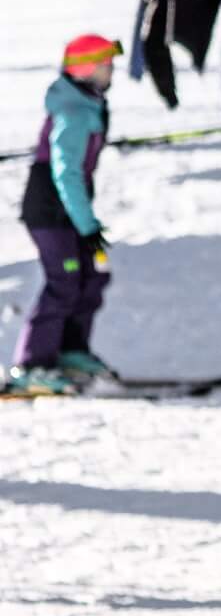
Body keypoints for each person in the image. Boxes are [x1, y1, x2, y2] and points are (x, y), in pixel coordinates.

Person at [10, 36, 121, 396]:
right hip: (51, 212)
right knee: (64, 282)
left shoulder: (87, 105)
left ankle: (70, 350)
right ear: (86, 70)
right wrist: (86, 225)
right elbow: (66, 173)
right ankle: (32, 365)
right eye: (105, 65)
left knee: (91, 277)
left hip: (69, 211)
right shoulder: (73, 113)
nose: (111, 71)